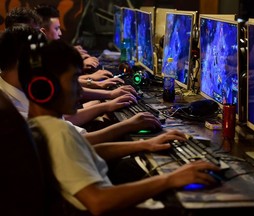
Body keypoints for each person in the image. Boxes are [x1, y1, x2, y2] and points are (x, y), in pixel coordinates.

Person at [18, 36, 220, 215]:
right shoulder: (58, 133)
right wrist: (170, 179)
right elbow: (98, 201)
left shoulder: (40, 126)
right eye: (73, 80)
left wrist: (144, 145)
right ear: (44, 88)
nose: (80, 91)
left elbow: (85, 151)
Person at [0, 24, 162, 145]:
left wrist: (105, 105)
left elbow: (65, 124)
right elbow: (77, 142)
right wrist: (128, 127)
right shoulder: (9, 109)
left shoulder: (19, 89)